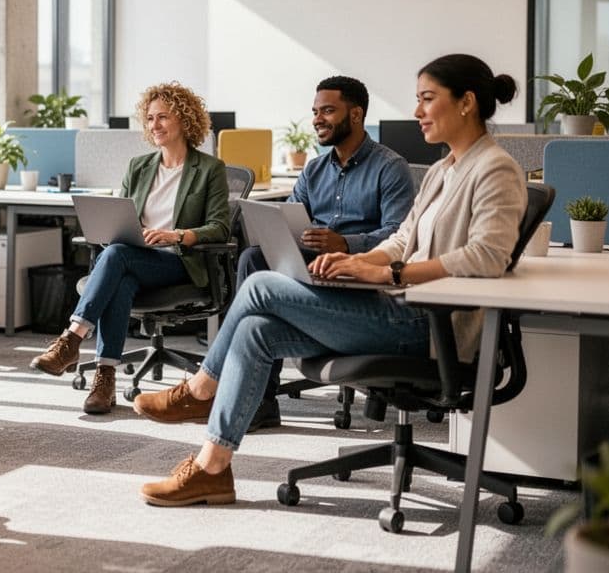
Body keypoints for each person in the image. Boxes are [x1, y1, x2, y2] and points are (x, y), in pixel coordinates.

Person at [131, 54, 525, 507]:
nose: (417, 111)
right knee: (258, 331)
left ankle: (201, 389)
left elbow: (488, 257)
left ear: (466, 103)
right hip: (392, 303)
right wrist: (361, 262)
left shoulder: (495, 168)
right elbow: (402, 237)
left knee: (260, 284)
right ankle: (212, 468)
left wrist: (385, 271)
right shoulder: (442, 170)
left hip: (429, 324)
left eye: (427, 99)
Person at [29, 81, 232, 415]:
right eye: (150, 118)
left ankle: (71, 341)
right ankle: (105, 379)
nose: (154, 125)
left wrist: (176, 235)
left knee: (117, 257)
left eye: (163, 117)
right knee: (120, 274)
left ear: (184, 120)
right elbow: (123, 214)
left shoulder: (209, 169)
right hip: (136, 258)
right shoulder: (139, 167)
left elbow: (219, 227)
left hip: (180, 262)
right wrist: (112, 228)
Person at [241, 76, 415, 431]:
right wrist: (281, 234)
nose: (318, 118)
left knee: (260, 285)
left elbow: (401, 235)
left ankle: (224, 383)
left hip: (360, 274)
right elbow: (287, 216)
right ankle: (261, 398)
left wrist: (346, 244)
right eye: (315, 111)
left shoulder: (390, 167)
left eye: (328, 110)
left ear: (356, 114)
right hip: (312, 264)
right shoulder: (313, 169)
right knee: (252, 259)